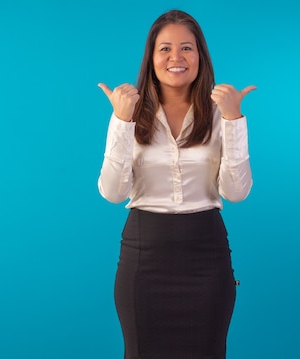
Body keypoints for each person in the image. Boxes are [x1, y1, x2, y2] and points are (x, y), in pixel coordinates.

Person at [97, 9, 254, 359]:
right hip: (144, 258)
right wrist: (122, 121)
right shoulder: (128, 114)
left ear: (201, 56)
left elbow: (236, 192)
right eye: (165, 48)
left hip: (206, 259)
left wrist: (234, 120)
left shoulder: (221, 114)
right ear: (151, 58)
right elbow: (112, 192)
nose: (176, 58)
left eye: (187, 48)